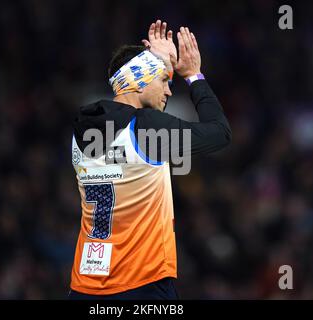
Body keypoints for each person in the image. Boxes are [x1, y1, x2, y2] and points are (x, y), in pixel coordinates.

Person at [68, 20, 232, 300]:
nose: (169, 91)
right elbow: (220, 133)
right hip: (142, 284)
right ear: (139, 78)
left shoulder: (81, 131)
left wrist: (158, 62)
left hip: (85, 286)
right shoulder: (146, 127)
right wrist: (193, 75)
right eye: (164, 80)